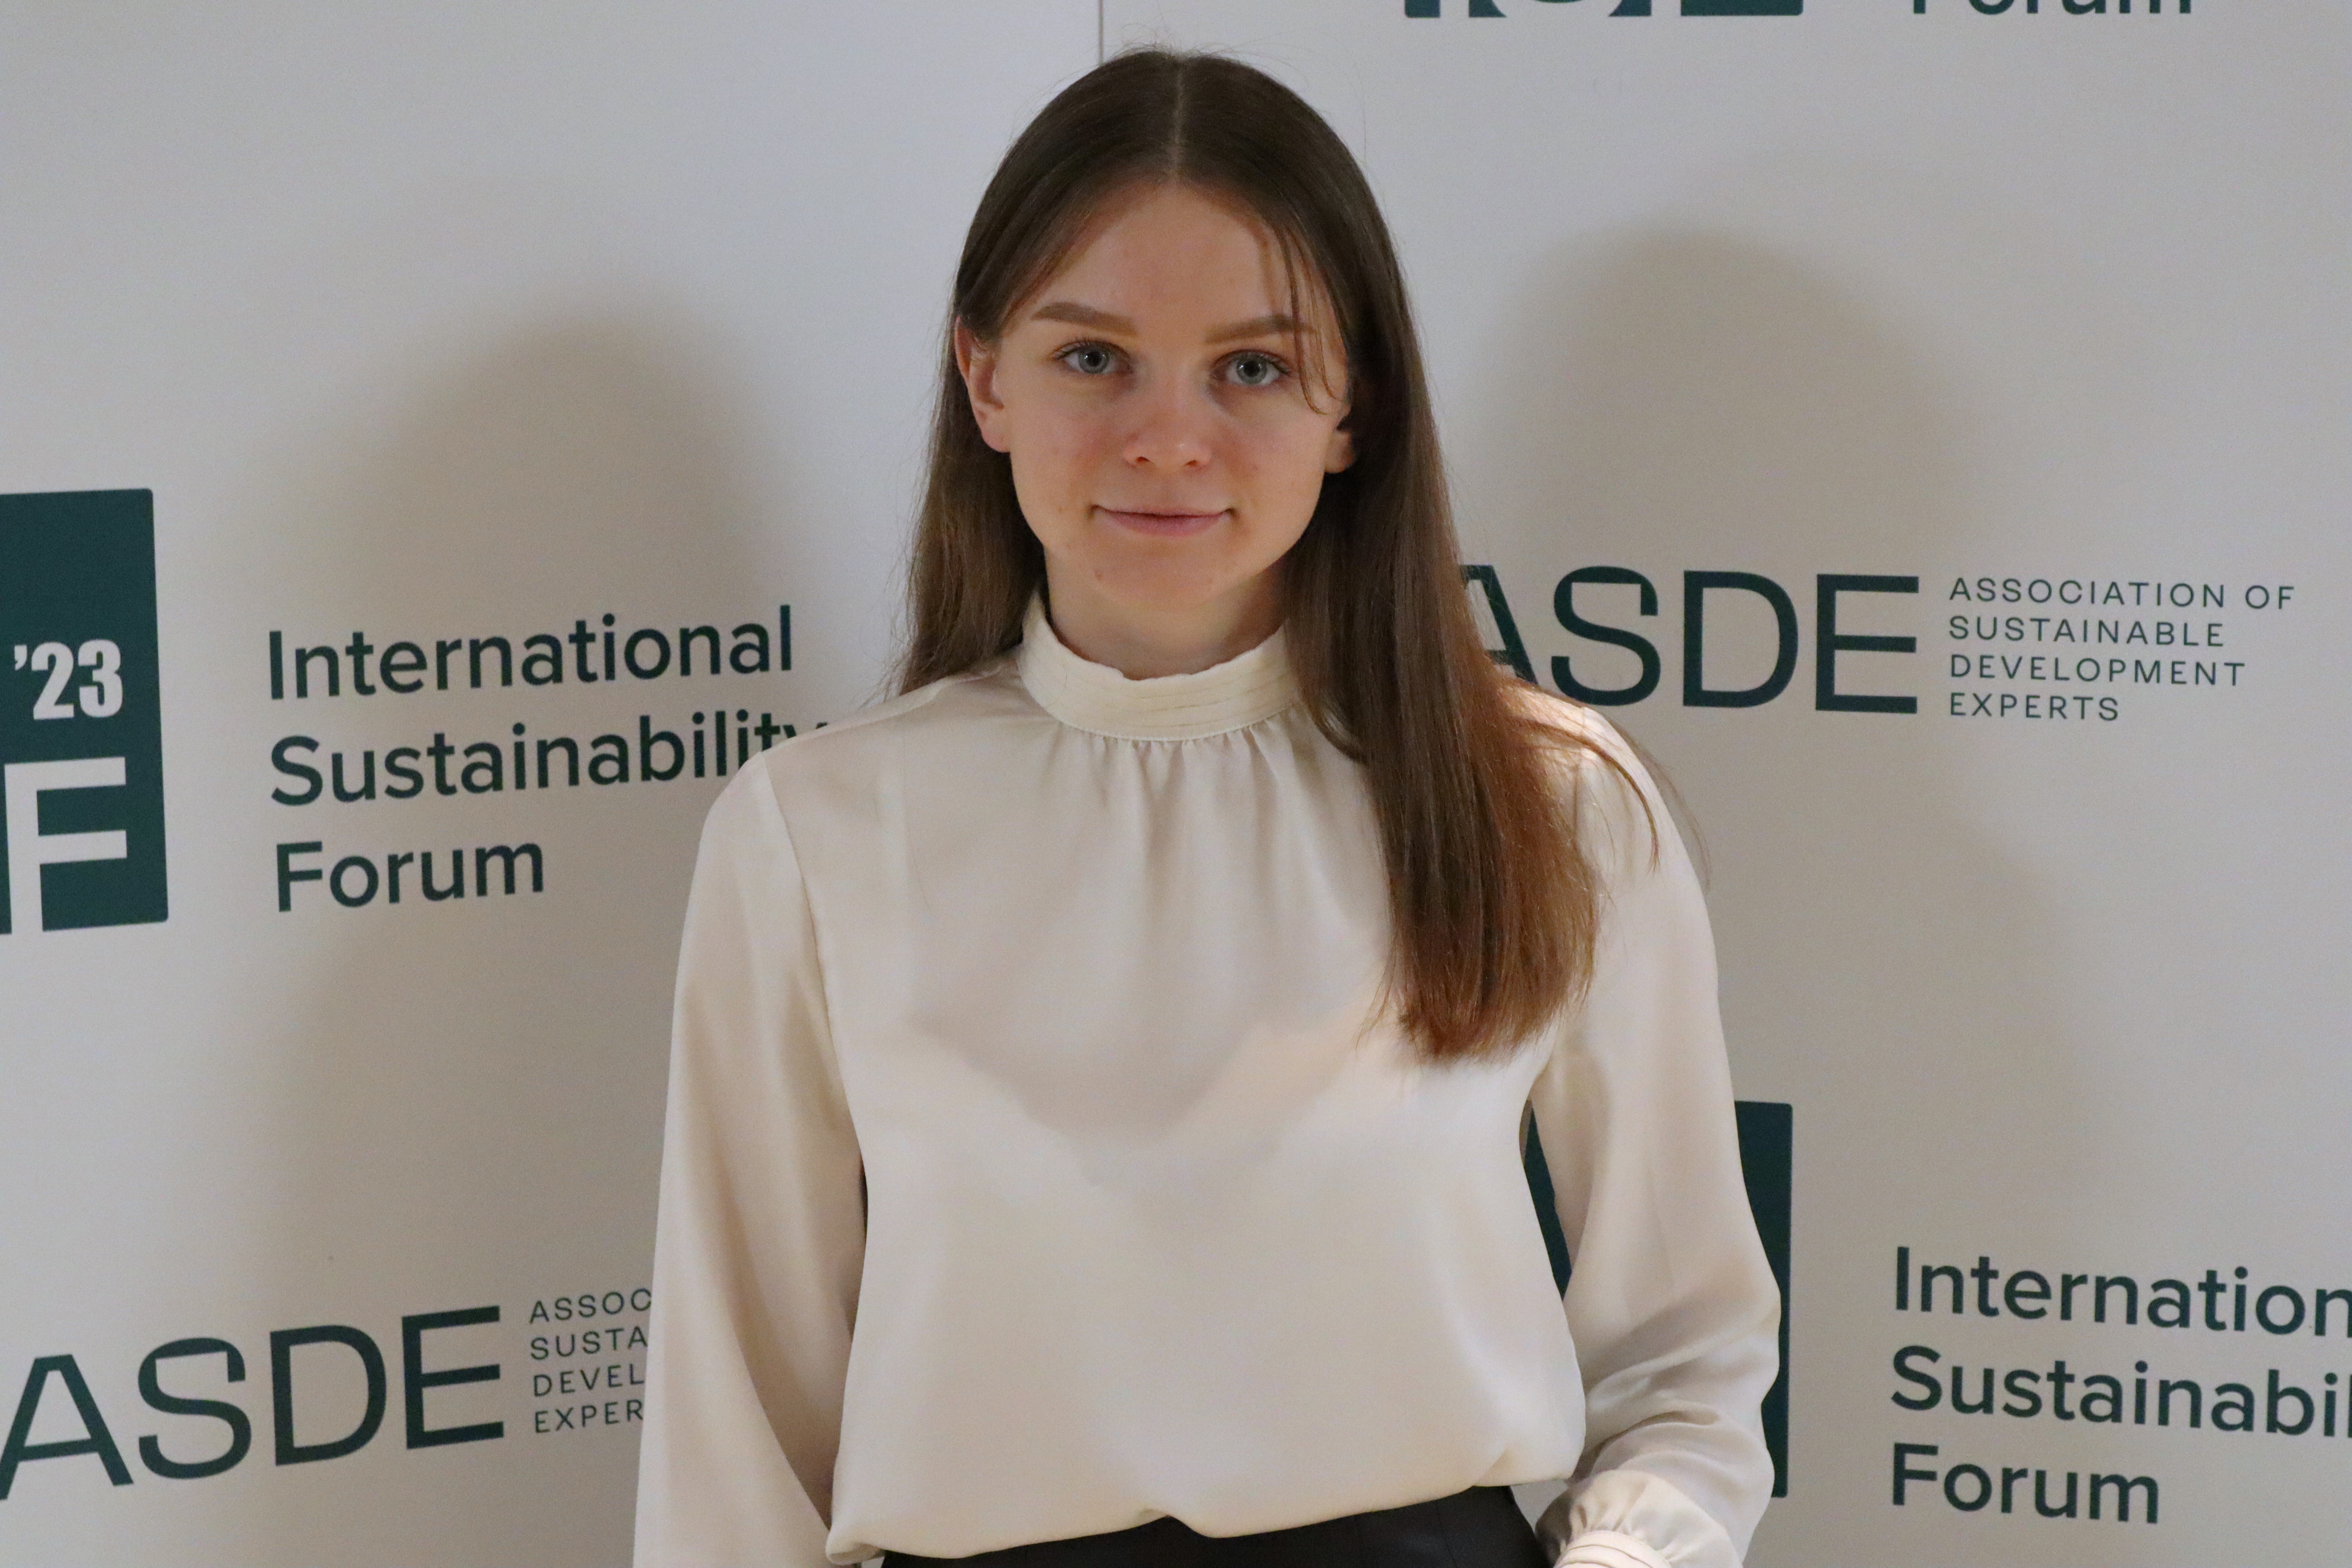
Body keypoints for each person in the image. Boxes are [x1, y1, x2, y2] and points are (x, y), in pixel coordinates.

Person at [632, 47, 1778, 1568]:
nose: (1169, 440)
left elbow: (1691, 1366)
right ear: (985, 377)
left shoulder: (1551, 803)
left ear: (1355, 403)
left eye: (1251, 368)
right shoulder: (814, 834)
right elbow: (737, 1458)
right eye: (1093, 358)